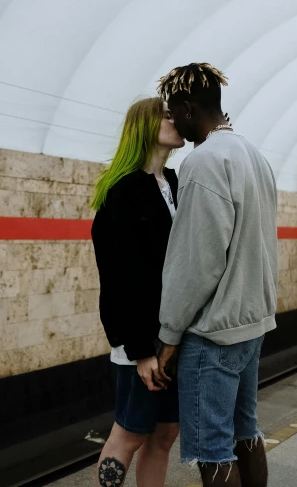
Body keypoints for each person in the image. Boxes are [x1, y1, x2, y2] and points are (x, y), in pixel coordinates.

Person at [153, 63, 278, 487]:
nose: (174, 120)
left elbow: (198, 260)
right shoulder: (254, 155)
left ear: (189, 109)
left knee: (213, 450)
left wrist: (169, 334)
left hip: (214, 334)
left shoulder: (203, 161)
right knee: (246, 433)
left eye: (174, 111)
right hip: (251, 324)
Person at [90, 97, 184, 487]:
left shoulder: (173, 183)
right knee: (129, 434)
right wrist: (141, 351)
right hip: (141, 342)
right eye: (167, 115)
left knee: (164, 436)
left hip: (173, 338)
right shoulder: (122, 190)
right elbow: (118, 277)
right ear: (145, 126)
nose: (176, 120)